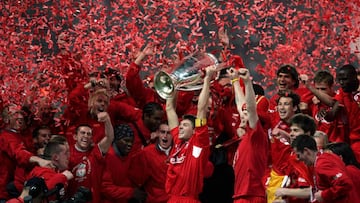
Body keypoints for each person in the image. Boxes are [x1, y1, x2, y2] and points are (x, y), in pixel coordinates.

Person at [165, 64, 216, 203]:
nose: (180, 127)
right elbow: (170, 108)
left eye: (185, 125)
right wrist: (174, 84)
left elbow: (201, 109)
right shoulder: (177, 142)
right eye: (180, 125)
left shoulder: (199, 141)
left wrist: (206, 81)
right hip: (171, 199)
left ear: (194, 130)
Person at [303, 64, 360, 162]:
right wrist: (327, 114)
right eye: (340, 80)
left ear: (354, 78)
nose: (342, 83)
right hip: (347, 141)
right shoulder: (343, 93)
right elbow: (332, 110)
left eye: (345, 79)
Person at [229, 68, 269, 202]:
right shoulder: (246, 137)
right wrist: (235, 80)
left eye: (245, 115)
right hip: (240, 196)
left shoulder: (256, 136)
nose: (242, 115)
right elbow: (242, 106)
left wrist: (247, 82)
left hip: (251, 197)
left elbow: (250, 110)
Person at [0, 106, 51, 201]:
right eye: (15, 114)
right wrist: (39, 160)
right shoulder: (5, 137)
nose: (20, 117)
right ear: (6, 119)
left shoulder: (20, 135)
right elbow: (19, 153)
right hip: (6, 193)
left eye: (21, 113)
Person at [292, 135, 355, 203]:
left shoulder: (322, 164)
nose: (298, 159)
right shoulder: (326, 157)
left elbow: (345, 184)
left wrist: (323, 195)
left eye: (298, 155)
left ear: (306, 151)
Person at [68, 109, 114, 203]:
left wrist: (107, 120)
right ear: (75, 136)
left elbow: (109, 137)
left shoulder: (95, 151)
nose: (86, 136)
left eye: (89, 134)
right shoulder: (67, 153)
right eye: (82, 133)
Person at [101, 124, 146, 203]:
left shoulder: (129, 156)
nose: (130, 144)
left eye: (131, 141)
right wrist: (131, 192)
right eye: (126, 140)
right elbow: (105, 188)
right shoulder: (107, 157)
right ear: (116, 140)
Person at [129, 122, 173, 203]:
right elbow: (136, 179)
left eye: (169, 133)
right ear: (157, 133)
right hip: (156, 200)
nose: (165, 136)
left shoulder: (179, 151)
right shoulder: (146, 153)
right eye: (162, 132)